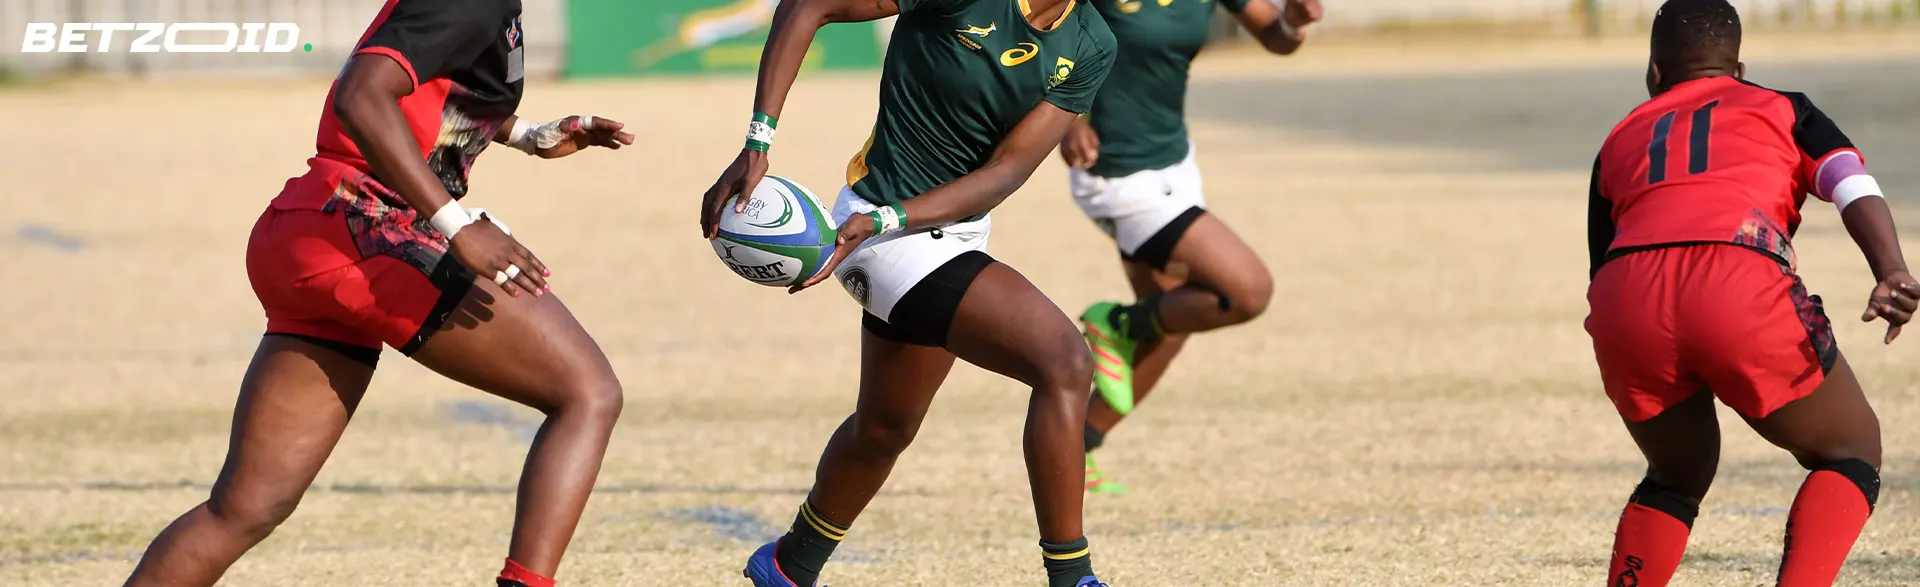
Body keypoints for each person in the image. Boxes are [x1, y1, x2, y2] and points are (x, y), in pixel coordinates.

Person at [121, 1, 636, 586]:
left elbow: (430, 88)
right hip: (366, 226)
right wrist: (456, 225)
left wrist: (529, 135)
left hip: (313, 226)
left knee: (245, 508)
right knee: (588, 393)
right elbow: (362, 93)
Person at [697, 0, 1114, 584]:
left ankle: (788, 566)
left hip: (929, 227)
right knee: (1065, 362)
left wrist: (891, 219)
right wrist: (757, 142)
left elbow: (1007, 171)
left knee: (884, 428)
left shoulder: (1092, 41)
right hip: (874, 229)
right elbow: (808, 6)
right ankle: (1073, 578)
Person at [1586, 1, 1918, 585]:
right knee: (1851, 449)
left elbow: (1603, 260)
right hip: (1737, 277)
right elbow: (1850, 182)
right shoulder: (1784, 108)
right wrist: (1890, 268)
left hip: (1628, 299)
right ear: (1739, 70)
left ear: (1655, 73)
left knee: (1676, 474)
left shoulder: (1621, 134)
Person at [1057, 0, 1321, 494]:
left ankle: (1075, 451)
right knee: (1248, 291)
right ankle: (1115, 324)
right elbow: (1041, 34)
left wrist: (1295, 21)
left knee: (1172, 319)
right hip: (1117, 171)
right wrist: (1070, 121)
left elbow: (1275, 37)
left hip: (1175, 163)